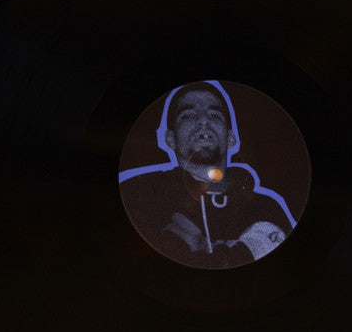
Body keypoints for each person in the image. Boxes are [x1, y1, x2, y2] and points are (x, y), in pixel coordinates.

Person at [119, 82, 294, 269]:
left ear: (230, 138)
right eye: (188, 115)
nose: (203, 121)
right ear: (170, 138)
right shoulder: (138, 193)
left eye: (214, 115)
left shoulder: (265, 208)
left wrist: (181, 245)